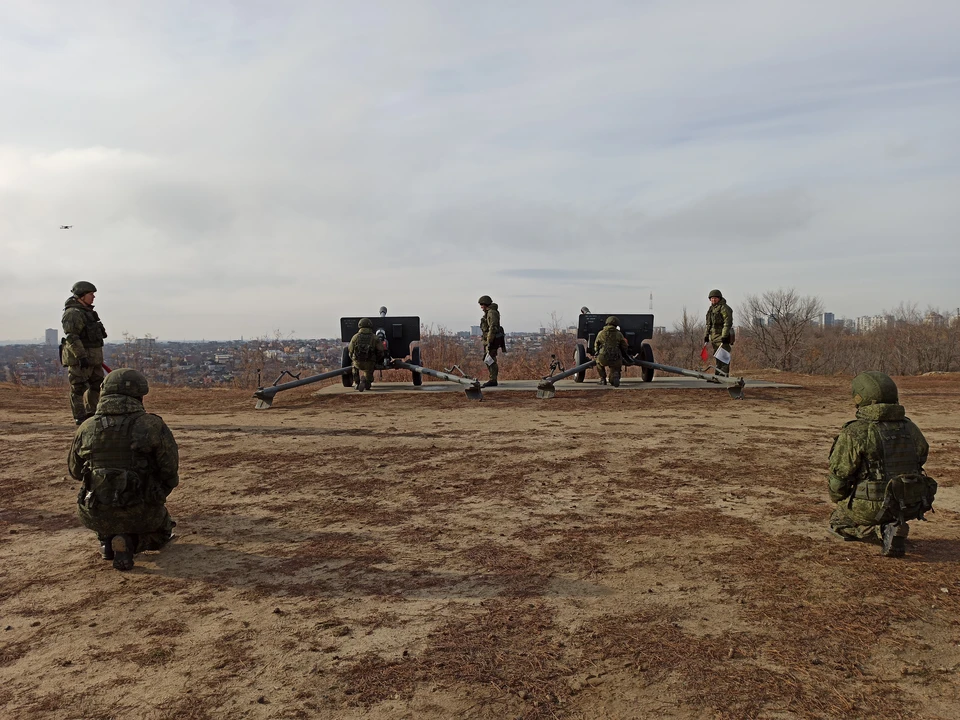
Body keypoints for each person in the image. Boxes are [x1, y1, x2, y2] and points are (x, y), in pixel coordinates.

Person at [68, 368, 179, 571]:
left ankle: (107, 542)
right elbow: (169, 471)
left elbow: (75, 472)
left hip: (94, 511)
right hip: (142, 510)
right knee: (161, 532)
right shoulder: (151, 425)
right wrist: (158, 494)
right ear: (139, 395)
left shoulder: (86, 427)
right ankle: (131, 544)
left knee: (106, 521)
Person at [827, 371, 937, 557]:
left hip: (872, 505)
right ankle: (893, 524)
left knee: (838, 522)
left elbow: (840, 476)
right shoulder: (910, 427)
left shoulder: (856, 431)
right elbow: (921, 456)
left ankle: (881, 531)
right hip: (908, 502)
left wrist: (840, 498)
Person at [61, 281, 108, 424]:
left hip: (94, 359)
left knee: (96, 386)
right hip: (81, 359)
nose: (93, 297)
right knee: (78, 388)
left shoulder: (88, 313)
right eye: (91, 294)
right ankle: (80, 417)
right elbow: (72, 337)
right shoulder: (72, 314)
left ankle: (92, 413)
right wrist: (81, 357)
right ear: (81, 296)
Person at [348, 318, 385, 392]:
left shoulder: (355, 337)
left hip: (357, 362)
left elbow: (350, 350)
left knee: (354, 368)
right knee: (368, 384)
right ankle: (366, 381)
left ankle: (357, 383)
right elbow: (381, 351)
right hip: (369, 362)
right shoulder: (374, 337)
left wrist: (353, 359)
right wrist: (376, 360)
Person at [703, 289, 734, 376]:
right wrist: (706, 335)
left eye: (715, 298)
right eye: (712, 298)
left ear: (719, 298)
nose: (713, 300)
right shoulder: (711, 309)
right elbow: (708, 323)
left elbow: (727, 323)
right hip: (714, 336)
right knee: (717, 356)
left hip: (722, 336)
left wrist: (724, 336)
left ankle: (723, 375)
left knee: (723, 356)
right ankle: (718, 374)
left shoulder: (724, 308)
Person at [594, 316, 629, 387]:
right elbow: (624, 346)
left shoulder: (601, 333)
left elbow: (596, 345)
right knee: (615, 368)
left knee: (598, 363)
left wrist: (596, 351)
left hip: (603, 357)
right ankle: (615, 375)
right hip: (616, 358)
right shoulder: (619, 334)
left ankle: (603, 379)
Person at [477, 295, 503, 388]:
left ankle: (493, 380)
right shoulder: (489, 312)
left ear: (486, 304)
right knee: (488, 359)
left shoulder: (491, 313)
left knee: (490, 359)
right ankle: (492, 379)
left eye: (482, 305)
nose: (481, 307)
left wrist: (489, 341)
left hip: (492, 339)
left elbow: (492, 327)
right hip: (489, 339)